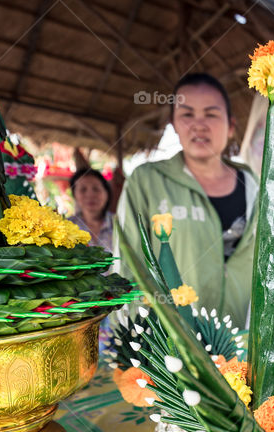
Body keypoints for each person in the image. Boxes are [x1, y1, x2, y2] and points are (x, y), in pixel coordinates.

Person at [116, 73, 257, 329]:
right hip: (172, 350)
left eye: (211, 114)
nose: (198, 125)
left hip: (243, 346)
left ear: (231, 125)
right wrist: (137, 340)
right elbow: (128, 265)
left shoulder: (254, 187)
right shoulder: (146, 182)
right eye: (187, 114)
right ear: (174, 124)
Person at [70, 168, 114, 252]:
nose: (90, 195)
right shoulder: (66, 227)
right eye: (83, 190)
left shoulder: (121, 224)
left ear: (106, 192)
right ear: (74, 194)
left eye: (96, 189)